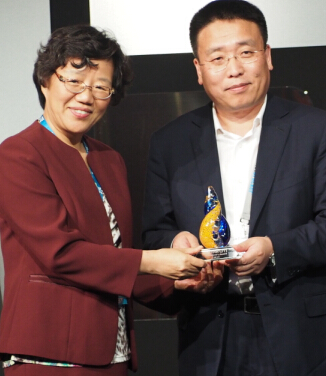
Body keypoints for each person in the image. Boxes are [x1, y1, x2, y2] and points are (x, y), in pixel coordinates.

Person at [140, 1, 326, 375]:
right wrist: (176, 242)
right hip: (209, 334)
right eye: (218, 58)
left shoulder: (315, 130)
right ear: (199, 69)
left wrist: (274, 249)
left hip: (298, 334)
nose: (235, 69)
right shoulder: (171, 143)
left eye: (246, 52)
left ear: (268, 56)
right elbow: (154, 231)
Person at [0, 25, 206, 376]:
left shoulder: (109, 159)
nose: (86, 96)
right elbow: (61, 254)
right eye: (74, 81)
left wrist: (180, 280)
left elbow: (116, 259)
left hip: (114, 352)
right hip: (48, 355)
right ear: (45, 81)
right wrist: (154, 261)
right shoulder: (17, 154)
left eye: (100, 87)